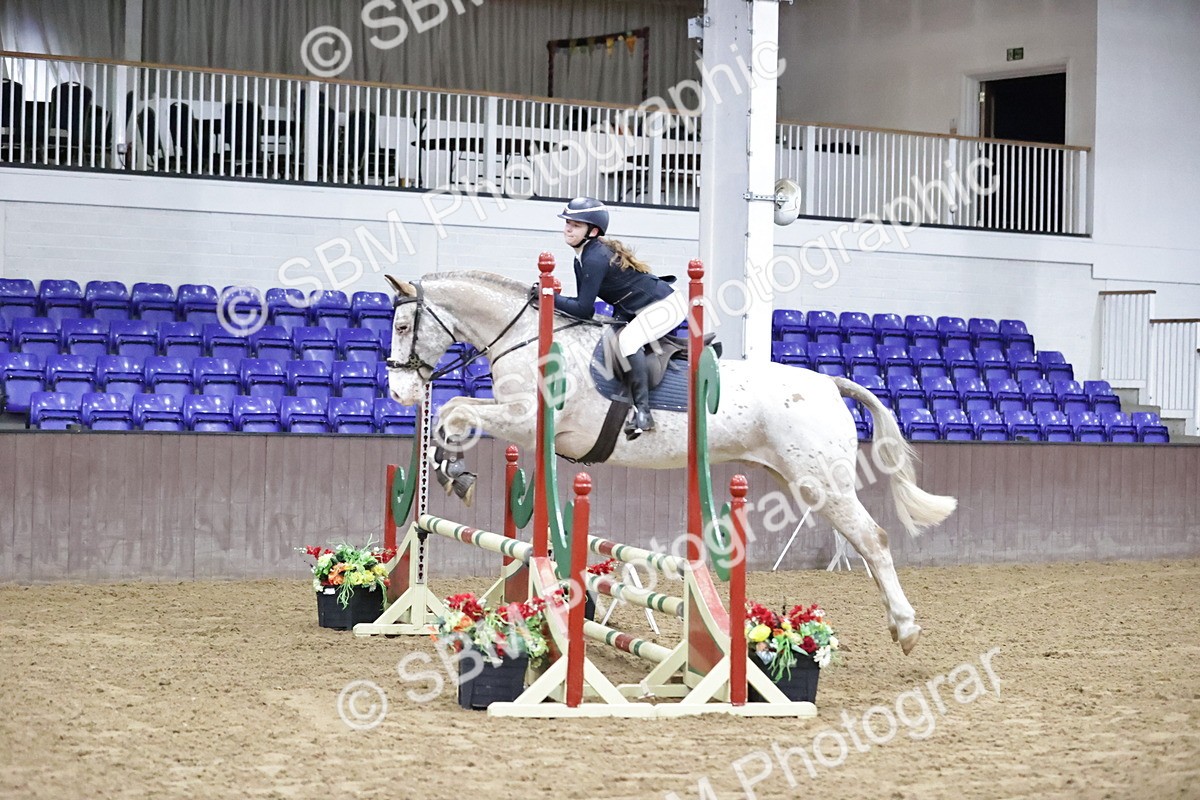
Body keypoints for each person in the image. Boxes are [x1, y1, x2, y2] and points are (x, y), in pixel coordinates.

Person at [552, 197, 687, 439]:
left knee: (628, 342)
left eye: (576, 224)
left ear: (593, 231)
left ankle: (643, 413)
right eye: (568, 223)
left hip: (665, 306)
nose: (568, 228)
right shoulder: (581, 256)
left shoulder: (594, 257)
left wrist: (548, 297)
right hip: (636, 307)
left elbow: (583, 309)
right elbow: (586, 309)